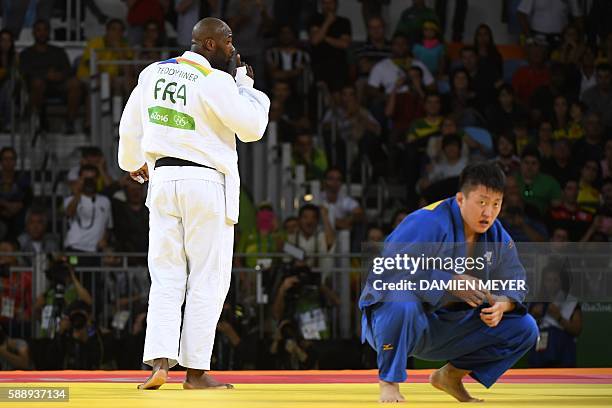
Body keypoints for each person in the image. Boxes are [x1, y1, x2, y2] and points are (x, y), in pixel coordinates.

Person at [118, 17, 270, 390]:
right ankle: (197, 372)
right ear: (210, 45)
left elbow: (128, 128)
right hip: (204, 182)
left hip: (163, 181)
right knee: (208, 276)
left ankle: (158, 363)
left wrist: (131, 161)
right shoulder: (215, 81)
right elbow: (251, 129)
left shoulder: (153, 72)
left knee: (166, 275)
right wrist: (246, 86)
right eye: (229, 40)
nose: (234, 46)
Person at [359, 161, 538, 403]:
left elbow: (517, 279)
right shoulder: (427, 222)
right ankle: (389, 382)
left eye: (496, 204)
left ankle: (450, 376)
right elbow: (388, 270)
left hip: (447, 327)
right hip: (399, 321)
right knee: (400, 298)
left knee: (525, 327)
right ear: (461, 199)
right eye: (482, 202)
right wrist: (447, 281)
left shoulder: (496, 234)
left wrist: (503, 303)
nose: (488, 213)